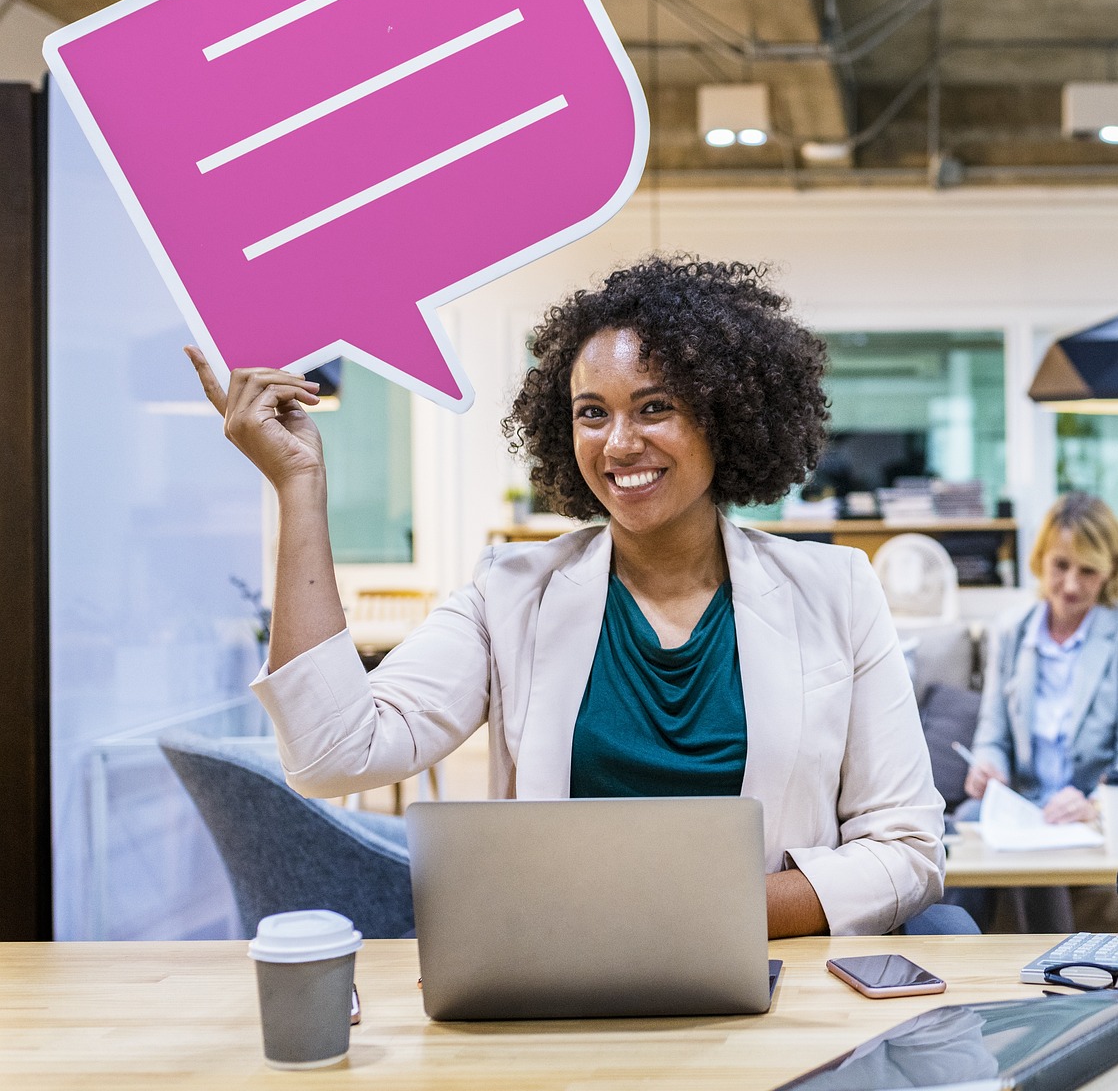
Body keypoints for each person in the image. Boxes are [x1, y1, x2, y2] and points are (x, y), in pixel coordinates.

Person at [187, 255, 945, 938]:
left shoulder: (835, 592)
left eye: (655, 408)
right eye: (592, 413)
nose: (618, 443)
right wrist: (299, 486)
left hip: (771, 979)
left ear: (728, 418)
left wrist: (706, 914)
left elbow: (908, 851)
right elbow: (330, 753)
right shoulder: (510, 592)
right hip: (569, 982)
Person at [957, 492, 1118, 929]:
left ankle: (1056, 973)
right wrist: (988, 762)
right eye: (1060, 565)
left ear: (1109, 572)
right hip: (1025, 802)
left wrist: (1094, 805)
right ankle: (959, 960)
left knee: (1038, 847)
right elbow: (992, 729)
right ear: (1041, 559)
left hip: (1090, 810)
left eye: (1088, 571)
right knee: (960, 829)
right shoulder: (1012, 631)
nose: (1070, 585)